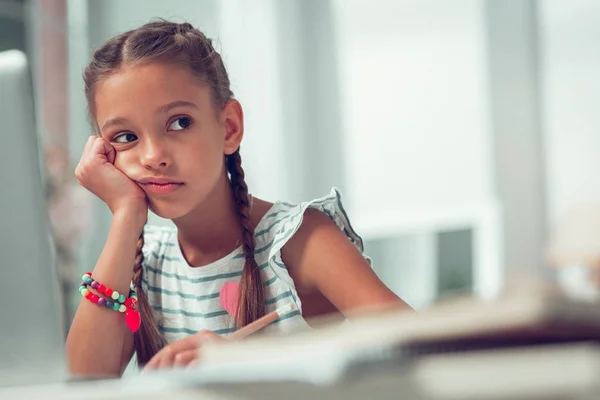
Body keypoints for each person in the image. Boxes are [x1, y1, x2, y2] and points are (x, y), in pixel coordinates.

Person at [66, 20, 409, 377]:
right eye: (125, 137)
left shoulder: (298, 240)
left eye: (180, 122)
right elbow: (86, 380)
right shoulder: (143, 263)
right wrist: (125, 215)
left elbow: (425, 347)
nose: (153, 156)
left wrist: (248, 362)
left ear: (229, 127)